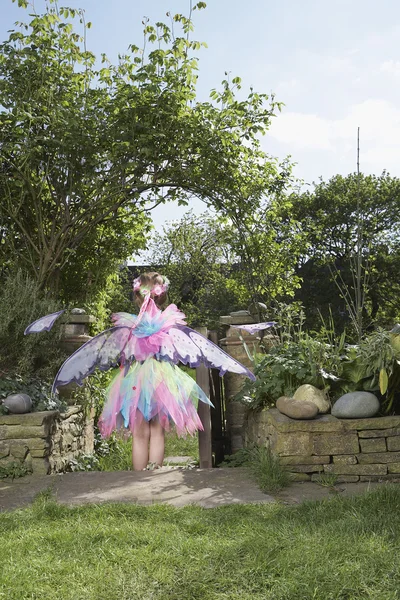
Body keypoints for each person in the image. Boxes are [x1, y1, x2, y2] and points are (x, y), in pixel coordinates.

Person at [97, 272, 213, 471]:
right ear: (162, 296)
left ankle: (138, 478)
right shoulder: (168, 322)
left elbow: (125, 353)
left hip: (137, 381)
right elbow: (174, 352)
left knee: (139, 433)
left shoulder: (131, 325)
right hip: (163, 380)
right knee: (158, 431)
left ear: (137, 296)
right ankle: (154, 476)